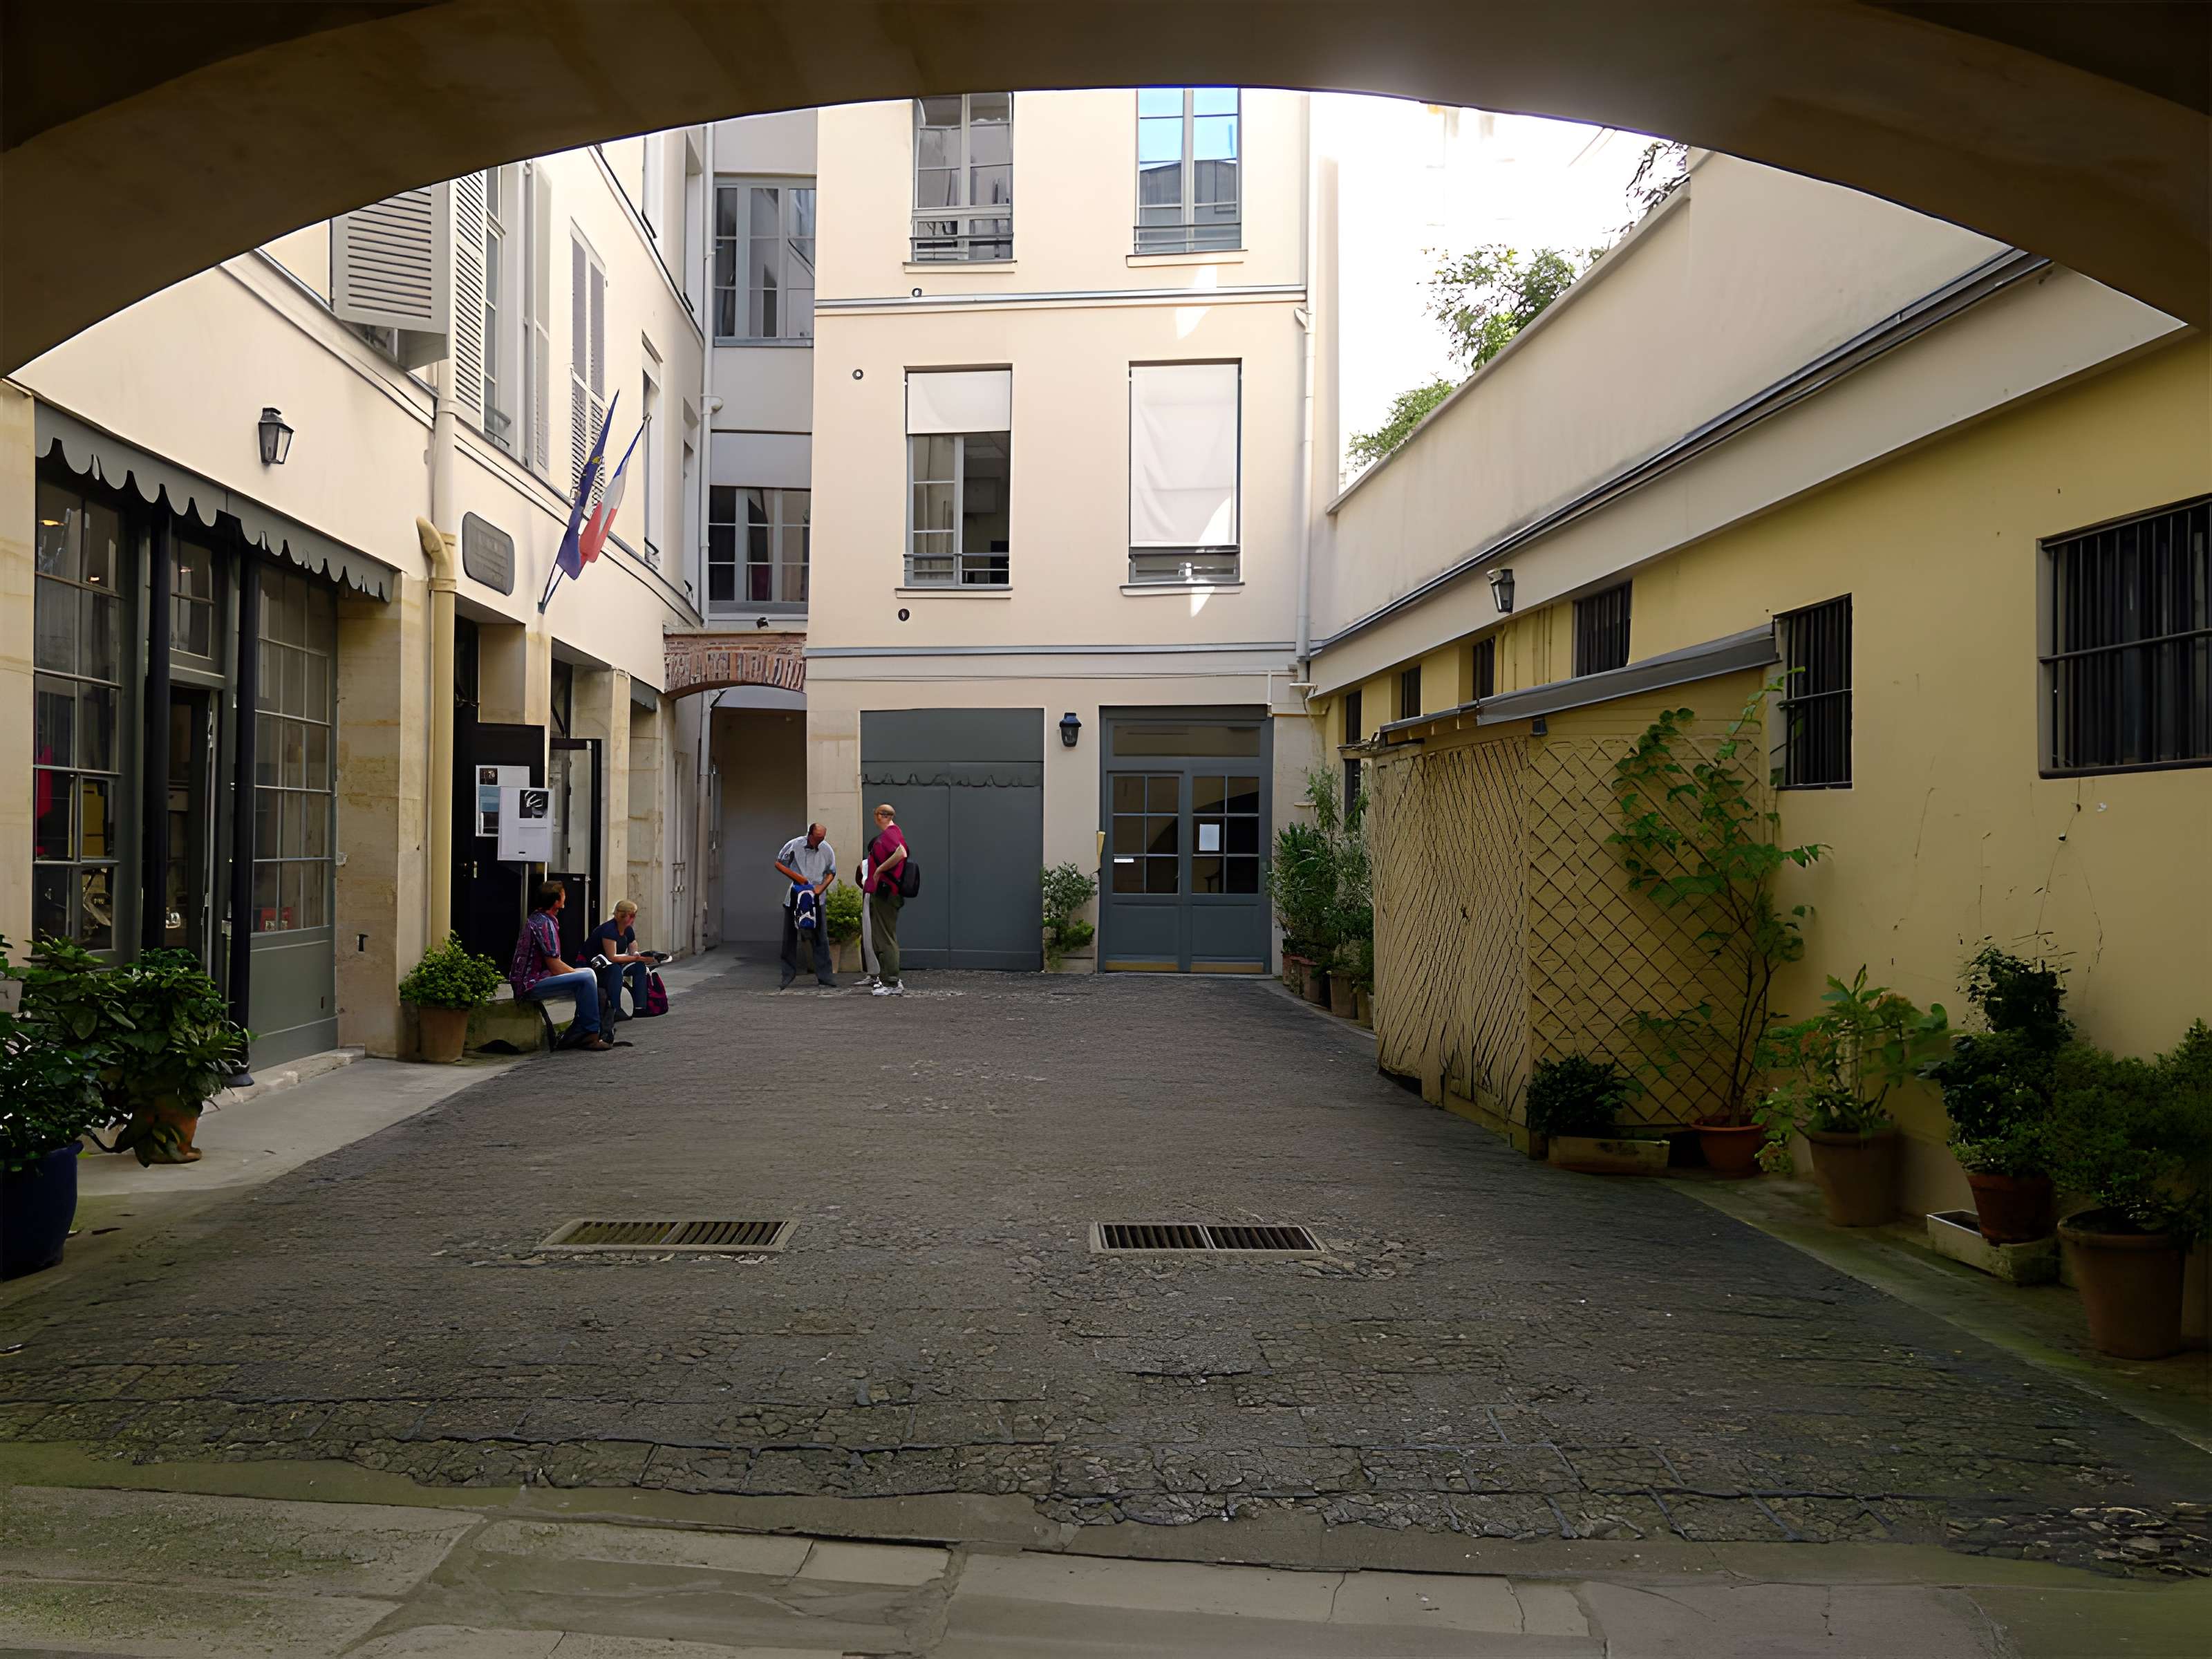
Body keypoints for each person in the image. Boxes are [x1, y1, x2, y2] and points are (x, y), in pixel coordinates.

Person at [509, 881, 610, 1051]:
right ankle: (589, 1033)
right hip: (531, 984)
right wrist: (579, 975)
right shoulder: (544, 924)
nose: (565, 899)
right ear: (556, 901)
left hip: (535, 979)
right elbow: (555, 966)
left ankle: (582, 1029)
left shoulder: (539, 919)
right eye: (563, 895)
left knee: (586, 974)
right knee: (587, 978)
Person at [774, 821, 837, 988]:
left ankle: (826, 978)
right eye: (817, 838)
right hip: (796, 895)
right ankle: (788, 975)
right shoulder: (795, 845)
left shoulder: (826, 849)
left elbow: (831, 872)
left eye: (822, 838)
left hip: (817, 897)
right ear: (810, 835)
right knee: (789, 937)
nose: (820, 842)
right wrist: (797, 877)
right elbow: (779, 863)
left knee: (820, 938)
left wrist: (821, 888)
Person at [865, 803, 908, 997]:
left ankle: (892, 981)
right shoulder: (893, 833)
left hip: (886, 893)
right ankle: (888, 980)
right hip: (884, 892)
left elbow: (901, 853)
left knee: (885, 937)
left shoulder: (890, 834)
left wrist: (880, 870)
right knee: (881, 937)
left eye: (875, 814)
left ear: (881, 816)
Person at [588, 898, 655, 1020]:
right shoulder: (609, 930)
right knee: (615, 970)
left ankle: (640, 1008)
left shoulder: (627, 928)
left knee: (640, 967)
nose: (634, 919)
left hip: (615, 963)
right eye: (632, 915)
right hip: (596, 965)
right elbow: (612, 957)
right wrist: (636, 958)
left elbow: (632, 943)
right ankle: (615, 1009)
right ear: (624, 915)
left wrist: (636, 954)